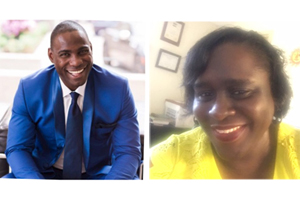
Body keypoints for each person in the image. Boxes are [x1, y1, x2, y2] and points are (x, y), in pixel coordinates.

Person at [150, 27, 300, 179]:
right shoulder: (166, 160)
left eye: (240, 92)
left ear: (276, 95)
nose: (218, 112)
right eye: (205, 94)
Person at [3, 20, 141, 179]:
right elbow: (18, 149)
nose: (76, 62)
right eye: (65, 54)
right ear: (51, 56)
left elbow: (128, 152)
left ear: (91, 49)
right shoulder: (29, 88)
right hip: (42, 174)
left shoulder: (118, 88)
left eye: (82, 51)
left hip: (99, 177)